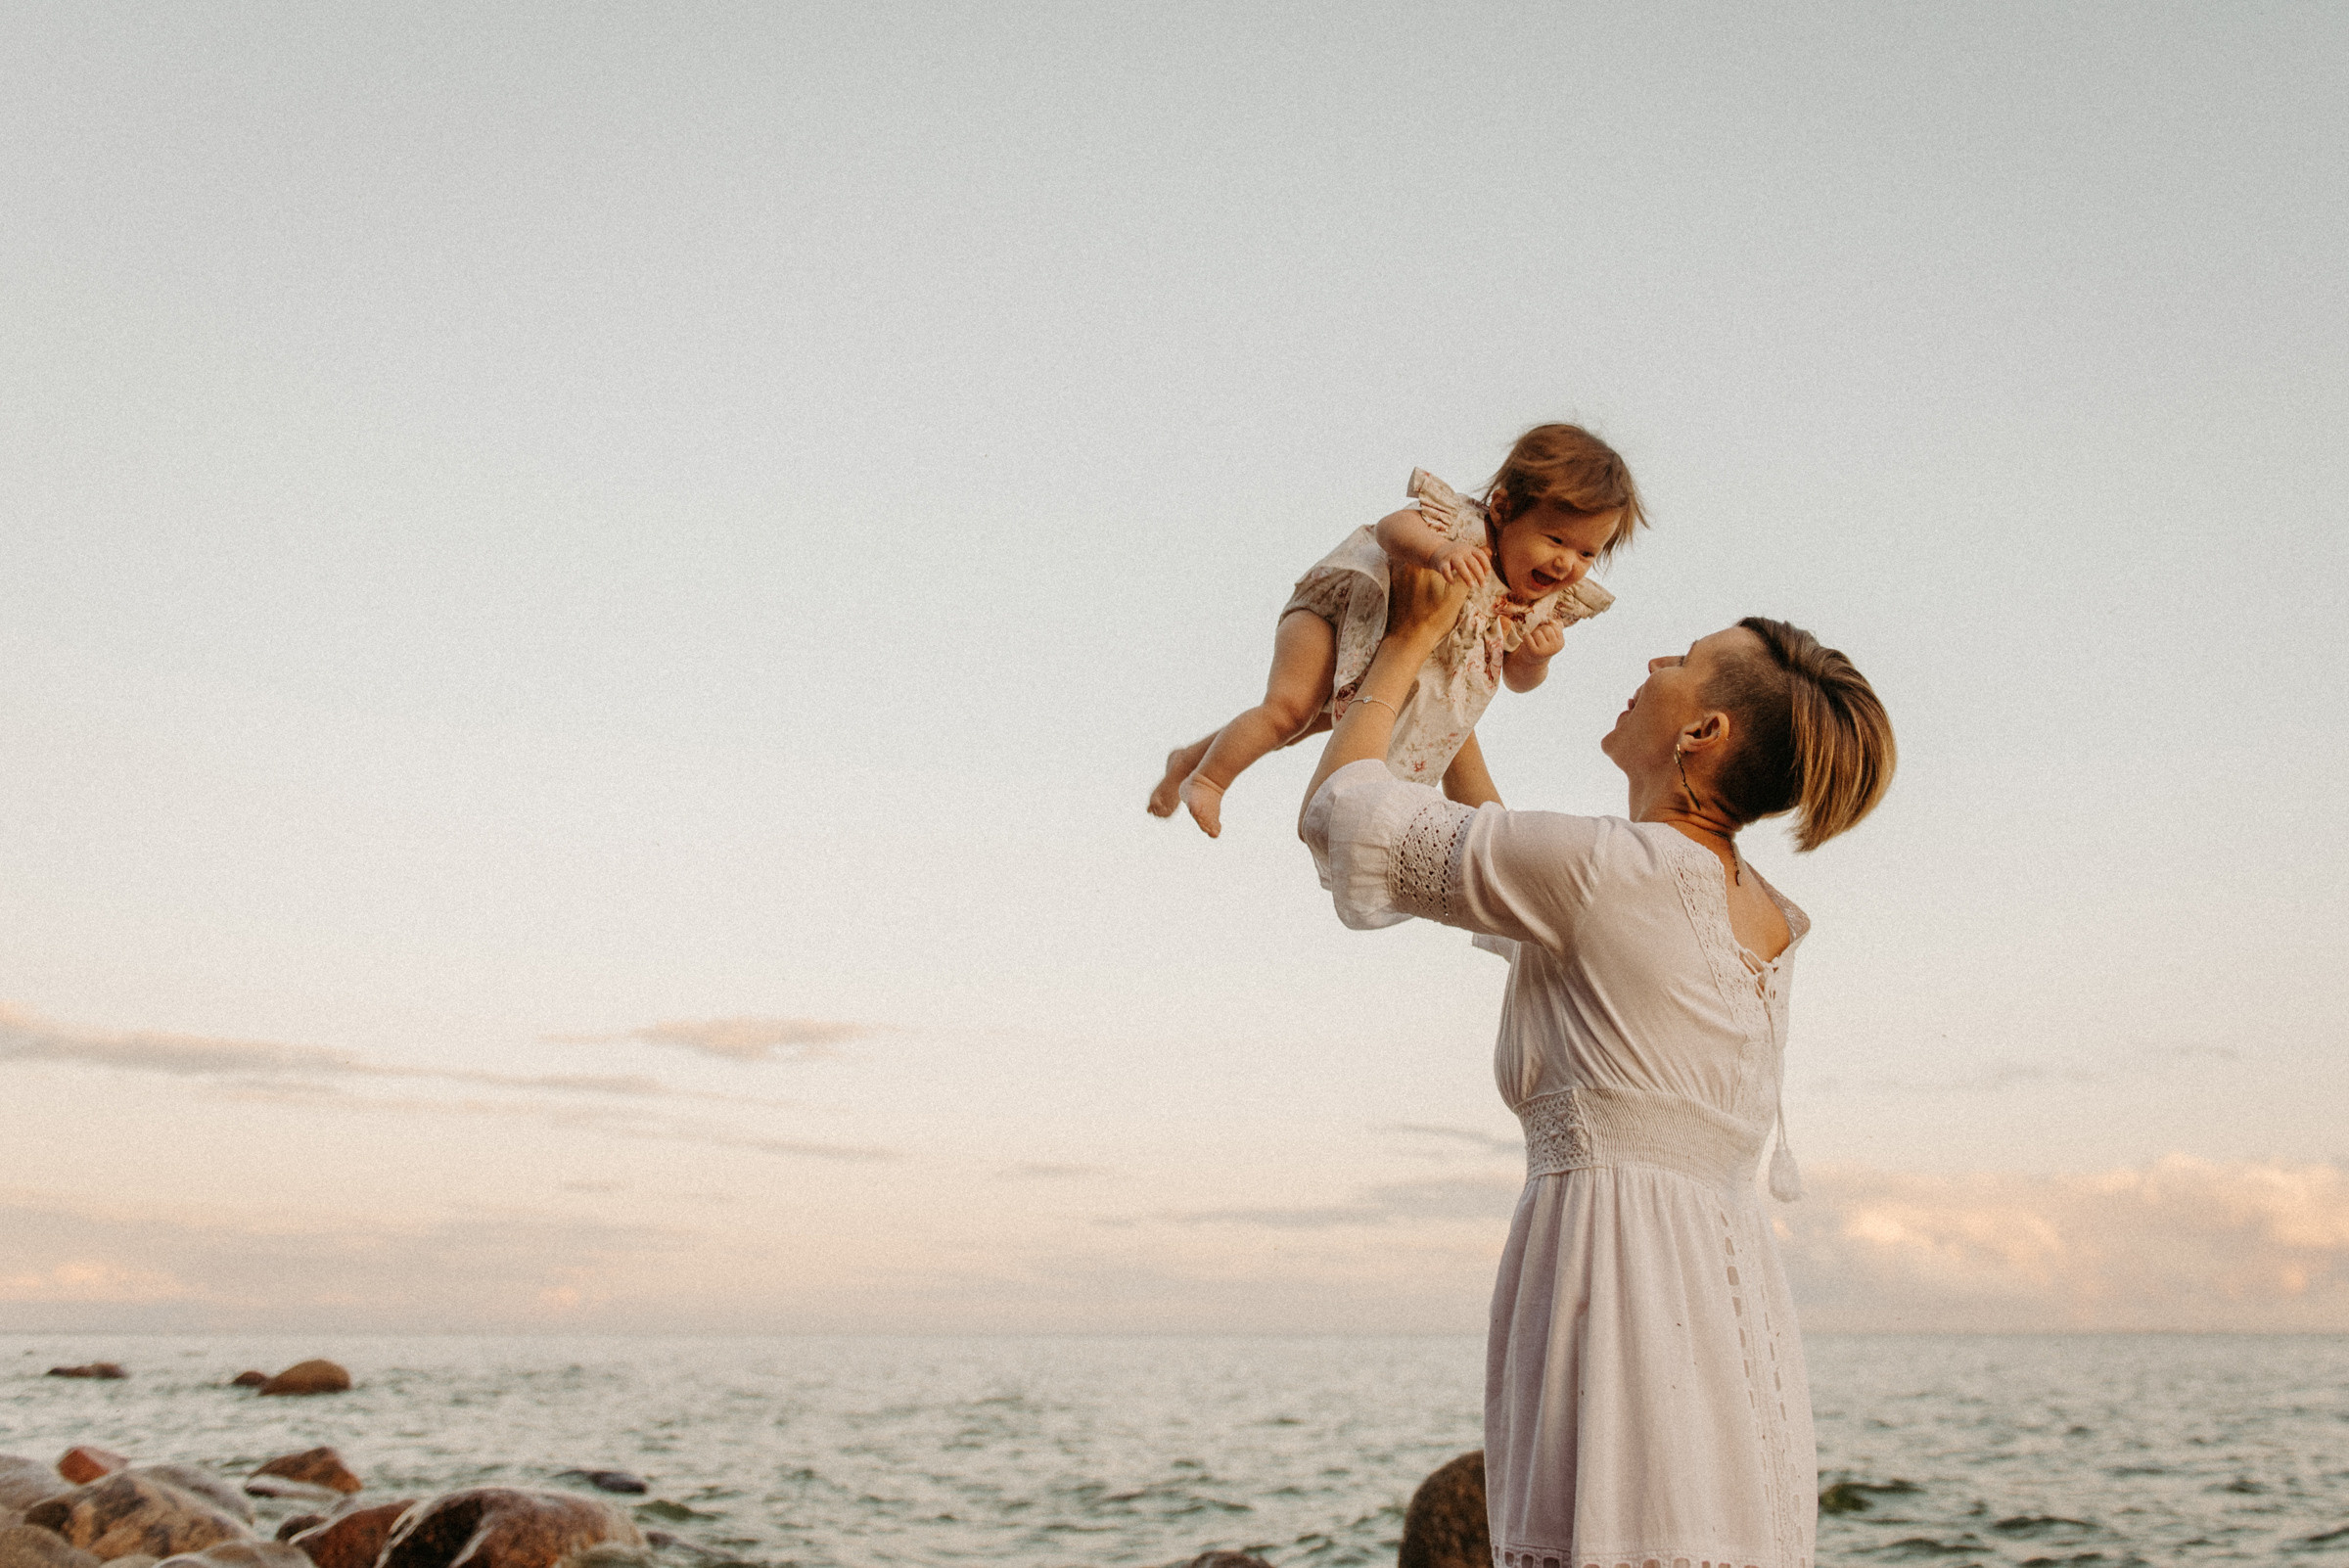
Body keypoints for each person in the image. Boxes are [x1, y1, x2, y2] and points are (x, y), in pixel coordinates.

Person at [1300, 565, 1895, 1568]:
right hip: (1719, 1298)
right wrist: (1460, 683)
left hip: (1616, 1282)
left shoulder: (1609, 874)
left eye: (1687, 661)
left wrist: (1403, 648)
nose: (1657, 660)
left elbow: (1345, 818)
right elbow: (1514, 875)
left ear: (1704, 733)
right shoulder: (1753, 907)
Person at [1148, 424, 1646, 838]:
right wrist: (1437, 552)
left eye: (1587, 553)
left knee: (1306, 727)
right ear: (1502, 509)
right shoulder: (1462, 527)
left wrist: (1537, 659)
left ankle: (1187, 759)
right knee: (1289, 711)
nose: (1567, 563)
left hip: (1378, 666)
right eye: (1556, 539)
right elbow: (1391, 528)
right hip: (1340, 613)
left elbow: (1513, 677)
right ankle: (1209, 781)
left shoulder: (1541, 603)